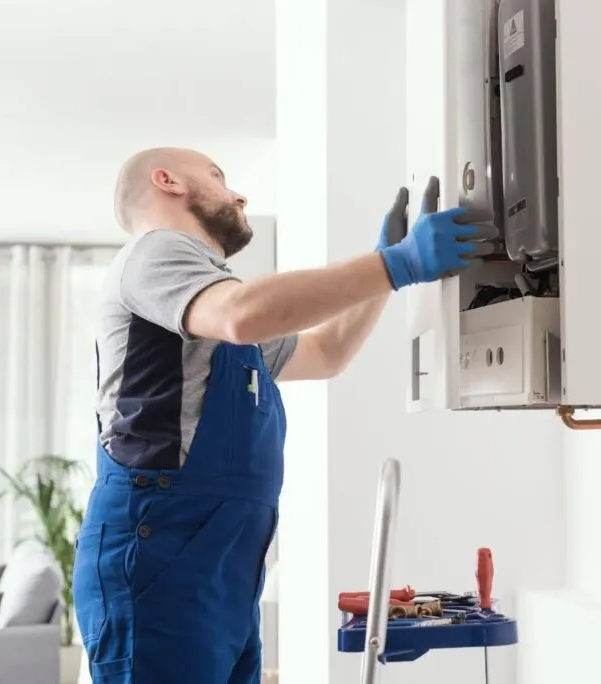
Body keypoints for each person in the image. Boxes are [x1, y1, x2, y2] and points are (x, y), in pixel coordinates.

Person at [73, 147, 495, 684]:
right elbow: (244, 313)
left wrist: (391, 271)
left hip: (220, 571)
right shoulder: (156, 252)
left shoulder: (206, 309)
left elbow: (326, 354)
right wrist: (395, 264)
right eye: (219, 176)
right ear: (167, 180)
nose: (239, 194)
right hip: (160, 561)